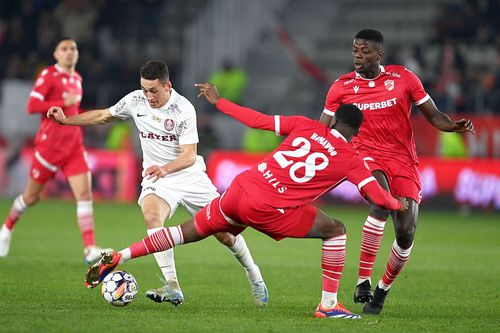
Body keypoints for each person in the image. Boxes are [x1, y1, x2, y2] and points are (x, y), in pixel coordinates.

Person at [80, 83, 409, 319]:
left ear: (334, 120)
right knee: (335, 229)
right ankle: (328, 305)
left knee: (183, 232)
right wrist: (396, 204)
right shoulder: (351, 156)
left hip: (239, 189)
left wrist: (220, 102)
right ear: (357, 132)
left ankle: (119, 255)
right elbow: (373, 193)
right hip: (268, 207)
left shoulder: (305, 125)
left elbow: (258, 120)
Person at [46, 60, 267, 307]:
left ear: (168, 86)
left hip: (190, 177)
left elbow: (189, 155)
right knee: (152, 216)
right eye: (144, 89)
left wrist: (165, 168)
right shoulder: (135, 101)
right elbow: (102, 115)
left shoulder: (183, 109)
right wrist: (67, 120)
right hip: (157, 179)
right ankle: (172, 286)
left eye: (154, 90)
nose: (148, 96)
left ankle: (253, 273)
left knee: (225, 234)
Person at [319, 29, 475, 315]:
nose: (358, 55)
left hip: (403, 161)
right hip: (365, 156)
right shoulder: (341, 87)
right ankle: (363, 280)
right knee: (381, 199)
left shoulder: (403, 79)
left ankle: (382, 289)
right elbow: (322, 130)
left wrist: (453, 125)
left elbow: (434, 116)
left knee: (405, 233)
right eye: (355, 49)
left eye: (364, 51)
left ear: (379, 55)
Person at [0, 38, 111, 264]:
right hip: (49, 148)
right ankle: (6, 229)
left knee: (84, 194)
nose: (70, 52)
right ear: (56, 54)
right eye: (65, 49)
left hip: (73, 147)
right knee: (31, 197)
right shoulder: (48, 76)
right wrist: (61, 100)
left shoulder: (77, 79)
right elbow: (32, 106)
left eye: (73, 48)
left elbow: (72, 109)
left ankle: (89, 248)